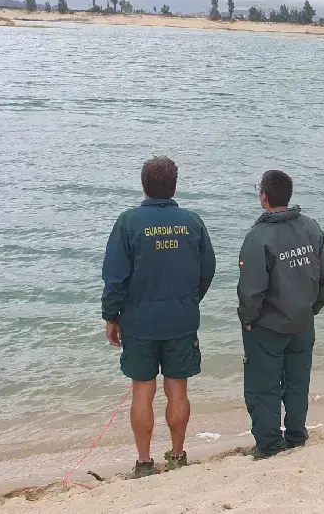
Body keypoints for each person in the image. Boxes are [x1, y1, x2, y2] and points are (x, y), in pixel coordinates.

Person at [101, 156, 216, 477]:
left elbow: (114, 277)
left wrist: (112, 316)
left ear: (144, 186)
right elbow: (207, 270)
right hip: (181, 319)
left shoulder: (128, 222)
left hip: (139, 322)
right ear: (174, 186)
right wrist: (189, 300)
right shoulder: (193, 222)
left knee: (143, 390)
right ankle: (178, 456)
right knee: (178, 389)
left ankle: (144, 462)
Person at [237, 170, 324, 459]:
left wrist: (248, 319)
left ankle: (269, 445)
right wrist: (311, 308)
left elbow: (251, 291)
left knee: (263, 387)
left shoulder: (258, 237)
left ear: (264, 196)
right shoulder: (311, 228)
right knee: (297, 383)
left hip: (268, 326)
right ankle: (295, 437)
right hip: (302, 322)